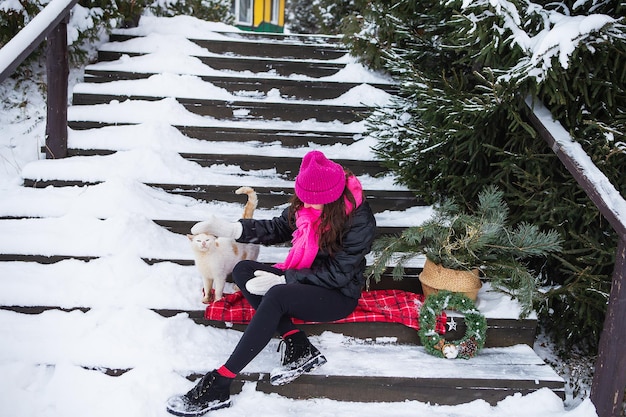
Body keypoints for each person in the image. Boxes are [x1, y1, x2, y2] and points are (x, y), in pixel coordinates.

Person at [166, 150, 377, 416]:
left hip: (336, 294)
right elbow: (278, 227)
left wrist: (284, 278)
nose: (307, 207)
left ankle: (221, 381)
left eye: (315, 203)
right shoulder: (307, 201)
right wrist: (233, 229)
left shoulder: (359, 220)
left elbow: (338, 274)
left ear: (332, 199)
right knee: (243, 270)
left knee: (276, 294)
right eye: (304, 200)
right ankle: (297, 344)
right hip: (302, 280)